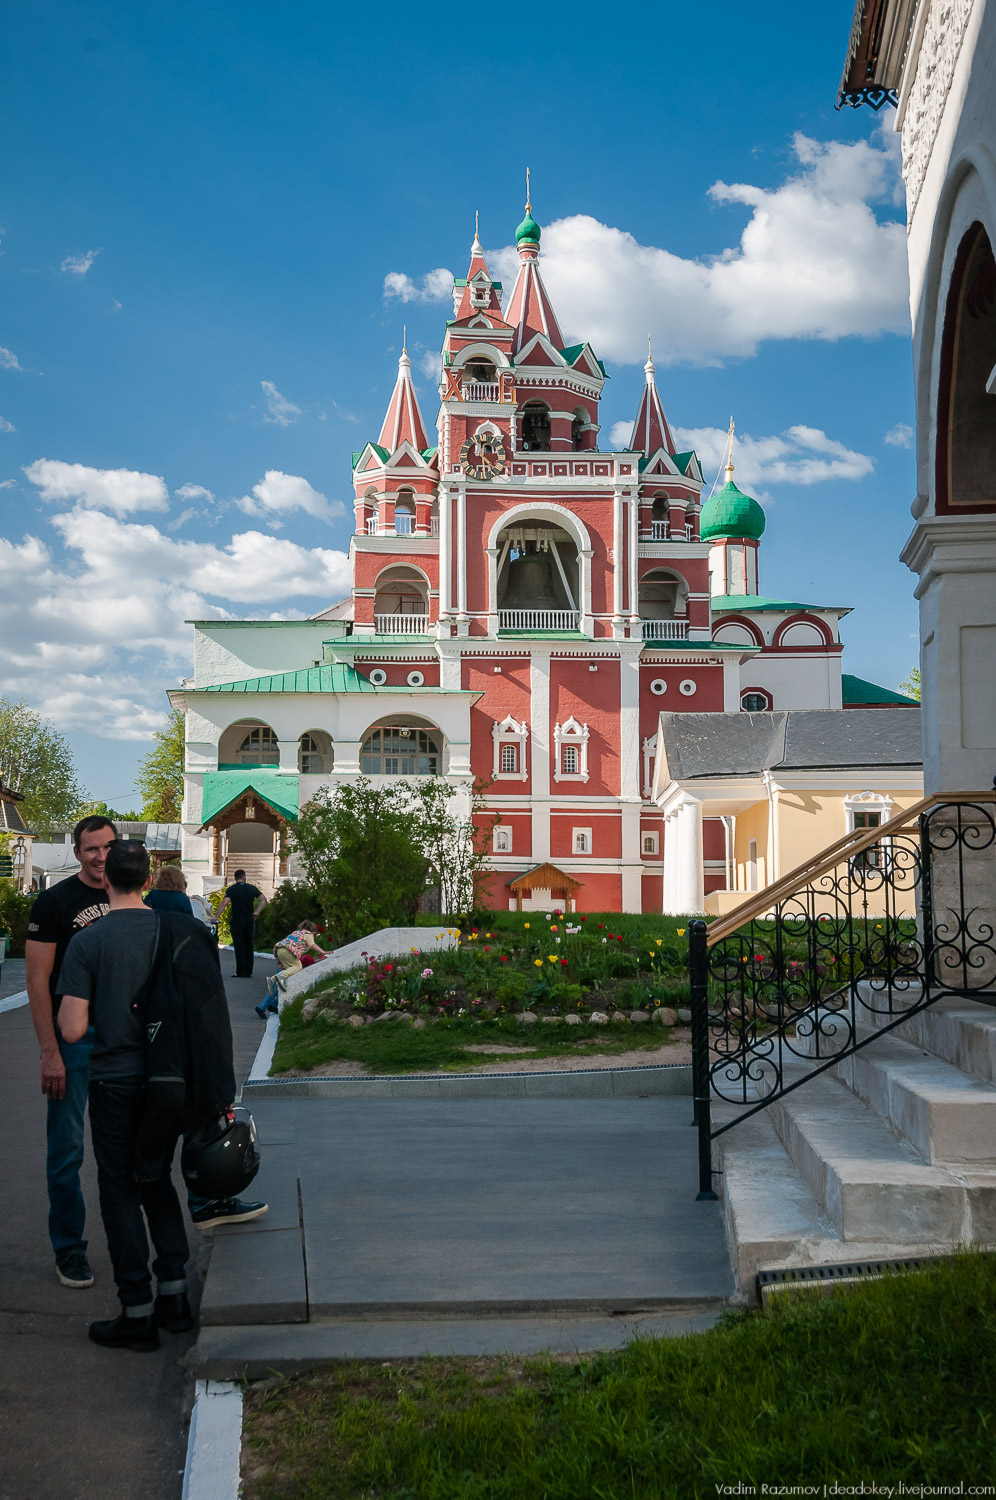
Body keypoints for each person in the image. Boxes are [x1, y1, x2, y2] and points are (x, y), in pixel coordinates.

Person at [56, 840, 266, 1352]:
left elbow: (72, 1027)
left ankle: (137, 1311)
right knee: (155, 1180)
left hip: (115, 1080)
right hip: (171, 1081)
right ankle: (174, 1296)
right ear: (148, 882)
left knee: (118, 1189)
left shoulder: (88, 941)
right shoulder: (176, 930)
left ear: (106, 881)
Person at [25, 815, 117, 1289]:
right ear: (77, 853)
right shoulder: (54, 901)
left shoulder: (128, 895)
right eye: (91, 849)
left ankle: (129, 1248)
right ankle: (69, 1249)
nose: (101, 857)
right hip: (73, 1042)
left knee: (125, 1147)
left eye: (108, 847)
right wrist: (50, 1051)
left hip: (122, 1042)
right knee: (67, 1151)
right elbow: (37, 981)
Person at [257, 919, 325, 1019]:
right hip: (290, 964)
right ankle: (264, 1006)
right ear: (313, 932)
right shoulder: (308, 935)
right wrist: (321, 955)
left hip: (282, 956)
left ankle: (270, 1005)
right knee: (279, 987)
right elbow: (305, 958)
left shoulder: (296, 934)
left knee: (278, 987)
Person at [217, 869, 266, 978]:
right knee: (249, 944)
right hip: (249, 919)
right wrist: (257, 911)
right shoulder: (252, 888)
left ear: (235, 878)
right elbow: (263, 899)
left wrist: (216, 916)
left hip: (237, 920)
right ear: (244, 877)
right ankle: (249, 972)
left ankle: (240, 972)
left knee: (239, 945)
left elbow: (225, 902)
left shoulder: (231, 889)